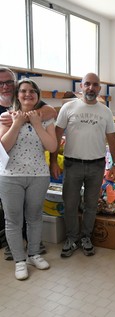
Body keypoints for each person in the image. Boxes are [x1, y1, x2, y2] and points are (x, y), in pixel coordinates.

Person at [50, 72, 115, 258]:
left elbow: (112, 139)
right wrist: (53, 161)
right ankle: (72, 238)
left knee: (91, 205)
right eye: (87, 84)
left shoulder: (105, 111)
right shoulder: (68, 107)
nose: (91, 88)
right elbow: (56, 135)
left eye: (95, 84)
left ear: (99, 88)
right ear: (81, 86)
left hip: (96, 166)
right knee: (70, 204)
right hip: (72, 165)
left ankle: (86, 237)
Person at [0, 78, 57, 280]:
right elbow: (3, 147)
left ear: (37, 96)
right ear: (18, 95)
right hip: (11, 177)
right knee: (13, 221)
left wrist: (36, 123)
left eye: (32, 91)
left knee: (34, 218)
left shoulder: (45, 118)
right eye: (23, 91)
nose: (28, 94)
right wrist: (17, 123)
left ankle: (33, 254)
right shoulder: (7, 117)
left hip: (38, 175)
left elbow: (52, 147)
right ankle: (19, 260)